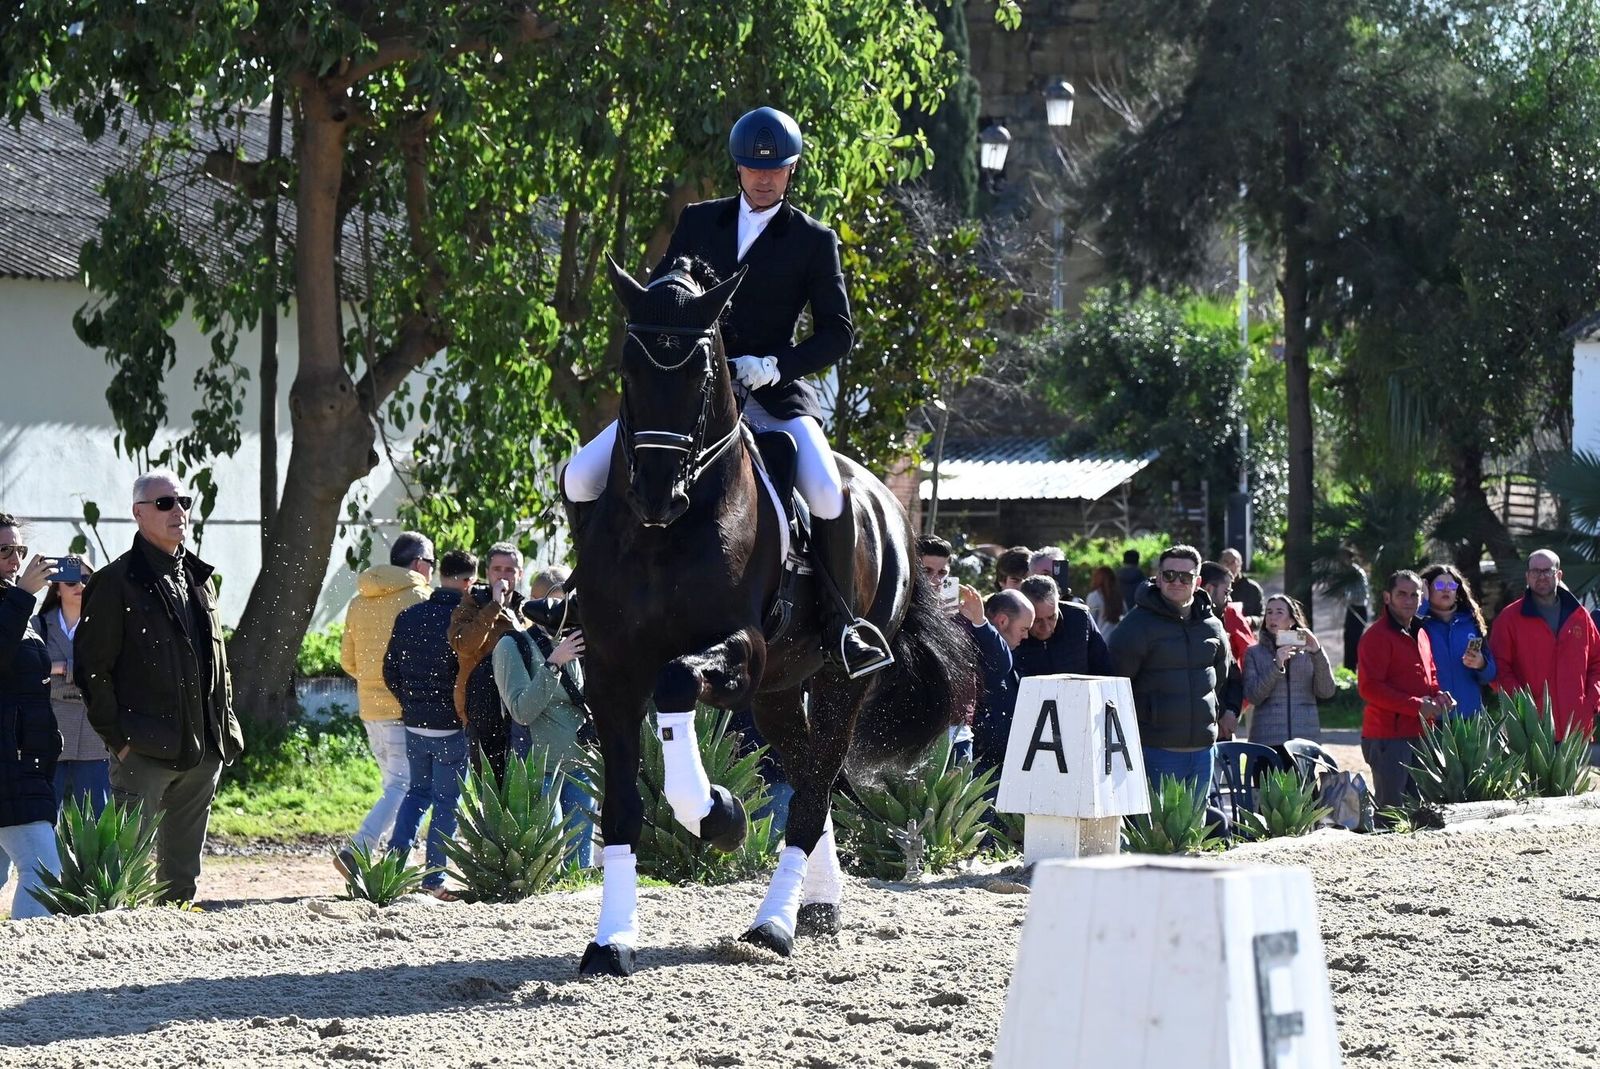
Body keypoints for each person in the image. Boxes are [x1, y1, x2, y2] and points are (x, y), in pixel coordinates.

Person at [545, 106, 890, 680]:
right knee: (581, 475)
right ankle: (586, 600)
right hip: (685, 394)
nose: (764, 179)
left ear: (792, 169)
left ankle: (841, 624)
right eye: (754, 169)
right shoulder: (698, 222)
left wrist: (778, 365)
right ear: (736, 168)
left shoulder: (812, 240)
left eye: (775, 169)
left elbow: (838, 332)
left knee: (829, 492)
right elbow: (661, 301)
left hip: (770, 393)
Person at [75, 471, 243, 904]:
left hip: (203, 752)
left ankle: (170, 966)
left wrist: (222, 729)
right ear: (138, 513)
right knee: (122, 882)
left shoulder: (199, 578)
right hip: (142, 754)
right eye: (165, 504)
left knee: (181, 885)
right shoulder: (114, 582)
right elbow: (92, 671)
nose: (179, 511)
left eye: (183, 501)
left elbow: (216, 663)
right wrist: (120, 742)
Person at [335, 531, 433, 876]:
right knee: (403, 786)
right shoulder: (421, 598)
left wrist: (372, 678)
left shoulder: (359, 601)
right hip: (405, 709)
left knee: (393, 785)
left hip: (370, 709)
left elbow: (348, 661)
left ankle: (391, 860)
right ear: (420, 563)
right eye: (431, 564)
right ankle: (358, 850)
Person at [384, 549, 477, 899]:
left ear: (440, 576)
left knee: (416, 794)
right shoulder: (464, 621)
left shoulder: (408, 616)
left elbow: (389, 671)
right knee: (446, 802)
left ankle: (393, 871)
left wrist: (410, 704)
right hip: (451, 727)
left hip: (414, 724)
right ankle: (435, 877)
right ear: (468, 581)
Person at [1106, 545, 1232, 796]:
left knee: (1195, 830)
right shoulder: (1137, 624)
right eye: (1169, 575)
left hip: (1203, 749)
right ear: (1158, 577)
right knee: (1154, 831)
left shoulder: (1212, 625)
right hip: (1154, 750)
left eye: (1185, 577)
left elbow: (1220, 677)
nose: (1176, 581)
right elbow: (1115, 684)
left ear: (1197, 582)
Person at [495, 611, 594, 868]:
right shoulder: (512, 645)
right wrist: (553, 664)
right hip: (540, 770)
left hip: (579, 765)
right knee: (549, 864)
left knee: (579, 868)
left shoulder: (575, 640)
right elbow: (521, 712)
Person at [0, 516, 61, 920]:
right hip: (9, 763)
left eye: (20, 551)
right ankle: (26, 967)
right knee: (43, 871)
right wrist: (23, 597)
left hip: (23, 761)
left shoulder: (14, 602)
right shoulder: (16, 602)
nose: (15, 559)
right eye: (5, 551)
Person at [1357, 570, 1452, 810]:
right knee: (1391, 811)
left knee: (1419, 809)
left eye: (1414, 594)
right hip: (1388, 736)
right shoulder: (1376, 637)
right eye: (1402, 594)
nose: (1409, 600)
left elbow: (1429, 674)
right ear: (1387, 597)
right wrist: (1417, 705)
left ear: (1422, 598)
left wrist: (1439, 695)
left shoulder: (1420, 632)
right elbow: (1369, 688)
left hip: (1420, 732)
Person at [1488, 549, 1600, 747]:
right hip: (1530, 728)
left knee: (1572, 780)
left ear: (1558, 574)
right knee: (1533, 780)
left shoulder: (1580, 616)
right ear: (1527, 576)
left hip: (1575, 725)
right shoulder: (1509, 619)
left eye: (1547, 571)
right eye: (1535, 571)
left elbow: (1597, 663)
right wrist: (1522, 706)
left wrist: (1590, 702)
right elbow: (1499, 669)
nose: (1541, 576)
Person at [33, 556, 108, 817]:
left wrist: (58, 668)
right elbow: (28, 674)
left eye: (86, 579)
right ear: (56, 587)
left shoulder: (106, 626)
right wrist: (74, 672)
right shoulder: (38, 626)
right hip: (49, 733)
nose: (80, 586)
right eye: (70, 580)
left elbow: (108, 674)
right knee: (43, 817)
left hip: (94, 734)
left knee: (97, 818)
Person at [450, 542, 530, 778]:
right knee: (490, 788)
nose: (503, 576)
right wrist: (493, 606)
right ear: (487, 573)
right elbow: (463, 645)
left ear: (520, 574)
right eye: (497, 569)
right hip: (481, 713)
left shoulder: (524, 610)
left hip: (519, 712)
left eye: (509, 570)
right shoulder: (471, 604)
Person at [1243, 594, 1334, 746]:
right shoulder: (1254, 653)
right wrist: (1276, 665)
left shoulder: (1309, 651)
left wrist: (1318, 652)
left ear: (1292, 620)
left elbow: (1326, 691)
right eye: (1269, 612)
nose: (1272, 617)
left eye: (1279, 612)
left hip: (1304, 742)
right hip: (1266, 741)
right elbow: (1253, 696)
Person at [961, 588, 1034, 775]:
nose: (1026, 636)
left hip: (1004, 764)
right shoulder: (975, 644)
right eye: (1024, 629)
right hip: (980, 766)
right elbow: (1001, 663)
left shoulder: (1010, 647)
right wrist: (980, 623)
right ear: (1002, 621)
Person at [1417, 563, 1496, 718]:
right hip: (1432, 718)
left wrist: (1481, 664)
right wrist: (1421, 604)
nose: (1447, 589)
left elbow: (1490, 676)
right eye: (1439, 585)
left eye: (1452, 585)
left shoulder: (1472, 622)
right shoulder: (1419, 624)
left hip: (1470, 717)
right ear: (1426, 590)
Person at [1012, 574, 1110, 678]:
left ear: (1058, 602)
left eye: (1052, 617)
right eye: (1037, 620)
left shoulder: (1080, 619)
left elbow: (1104, 668)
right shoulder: (1013, 629)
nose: (1046, 627)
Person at [1200, 561, 1258, 667]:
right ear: (1208, 589)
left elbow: (1250, 655)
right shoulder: (1178, 617)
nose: (1230, 599)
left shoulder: (1230, 613)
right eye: (1226, 593)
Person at [1219, 547, 1265, 623]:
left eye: (1233, 562)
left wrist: (1250, 620)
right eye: (1226, 562)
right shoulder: (1213, 586)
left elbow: (1262, 617)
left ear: (1240, 565)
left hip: (1245, 631)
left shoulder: (1253, 588)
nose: (1229, 566)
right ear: (1220, 563)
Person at [1085, 565, 1123, 639]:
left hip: (1101, 640)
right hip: (1117, 640)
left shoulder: (1094, 596)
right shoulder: (1119, 596)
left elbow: (1089, 622)